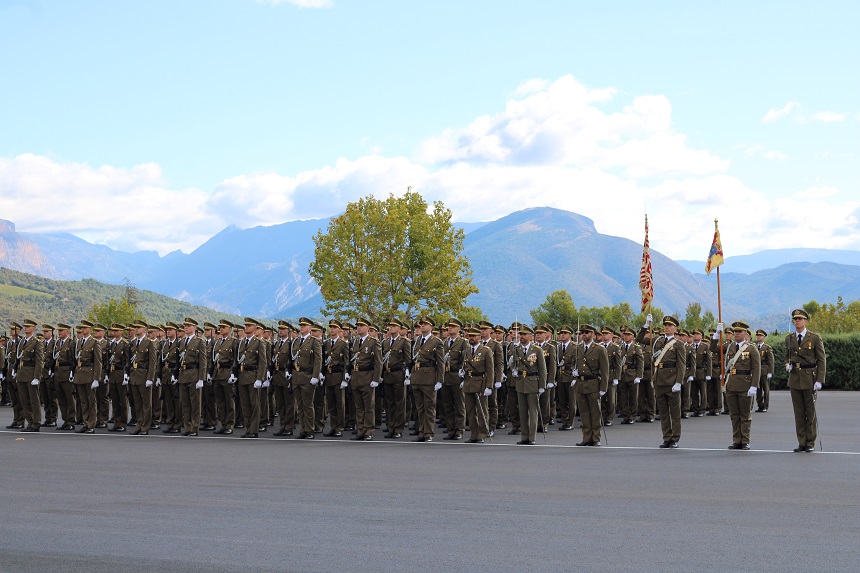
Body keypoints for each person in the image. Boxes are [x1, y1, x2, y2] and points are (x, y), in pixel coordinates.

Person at [785, 309, 826, 452]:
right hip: (795, 378)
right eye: (795, 319)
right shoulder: (789, 338)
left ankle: (810, 442)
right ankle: (802, 441)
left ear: (805, 321)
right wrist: (787, 364)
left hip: (810, 378)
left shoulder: (814, 338)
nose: (797, 321)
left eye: (800, 319)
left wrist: (819, 379)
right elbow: (787, 356)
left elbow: (821, 360)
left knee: (810, 411)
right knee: (799, 412)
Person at [649, 314, 686, 448]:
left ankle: (675, 438)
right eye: (665, 325)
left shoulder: (678, 344)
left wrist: (678, 382)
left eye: (669, 326)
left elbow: (681, 365)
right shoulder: (658, 341)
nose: (666, 327)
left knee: (674, 413)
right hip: (659, 381)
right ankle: (667, 437)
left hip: (672, 381)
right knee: (663, 413)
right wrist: (646, 326)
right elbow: (641, 339)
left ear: (675, 329)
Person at [724, 321, 761, 450]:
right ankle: (737, 440)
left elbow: (756, 368)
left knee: (745, 415)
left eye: (739, 331)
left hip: (745, 385)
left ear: (745, 333)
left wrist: (754, 385)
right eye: (735, 331)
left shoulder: (751, 348)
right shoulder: (730, 347)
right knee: (734, 415)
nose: (736, 333)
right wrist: (717, 335)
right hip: (731, 384)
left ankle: (745, 440)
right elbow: (713, 349)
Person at [572, 324, 609, 446]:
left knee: (595, 413)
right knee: (584, 413)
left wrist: (603, 388)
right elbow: (573, 363)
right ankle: (586, 437)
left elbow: (604, 370)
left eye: (586, 332)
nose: (584, 335)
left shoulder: (599, 349)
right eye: (582, 332)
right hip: (580, 384)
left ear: (592, 334)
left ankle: (596, 438)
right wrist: (574, 372)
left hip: (593, 384)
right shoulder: (577, 348)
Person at [511, 325, 547, 445]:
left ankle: (532, 437)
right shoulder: (517, 350)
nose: (521, 336)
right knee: (522, 412)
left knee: (533, 412)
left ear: (530, 336)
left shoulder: (537, 350)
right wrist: (514, 370)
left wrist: (542, 385)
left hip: (532, 383)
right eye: (520, 334)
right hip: (521, 382)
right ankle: (524, 436)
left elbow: (542, 369)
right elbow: (514, 364)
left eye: (524, 334)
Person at [410, 317, 444, 442]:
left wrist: (440, 380)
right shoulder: (417, 340)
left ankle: (428, 432)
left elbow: (441, 362)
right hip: (417, 377)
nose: (422, 326)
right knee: (420, 407)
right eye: (421, 324)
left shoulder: (436, 342)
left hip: (429, 378)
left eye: (425, 324)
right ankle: (422, 431)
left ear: (431, 327)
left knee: (429, 407)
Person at [349, 319, 382, 440]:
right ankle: (360, 430)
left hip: (367, 377)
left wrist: (376, 379)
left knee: (368, 407)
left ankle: (368, 431)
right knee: (359, 407)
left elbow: (378, 362)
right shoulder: (355, 341)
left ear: (368, 328)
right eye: (358, 326)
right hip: (356, 377)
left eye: (361, 326)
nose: (359, 328)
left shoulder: (373, 342)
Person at [291, 317, 322, 439]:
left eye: (304, 325)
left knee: (308, 405)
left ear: (310, 328)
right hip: (297, 377)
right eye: (301, 325)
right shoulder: (296, 341)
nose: (301, 327)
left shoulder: (314, 341)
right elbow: (293, 358)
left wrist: (315, 376)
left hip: (307, 377)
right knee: (300, 405)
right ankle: (303, 429)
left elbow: (318, 360)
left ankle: (310, 430)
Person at [462, 325, 494, 443]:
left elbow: (490, 370)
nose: (471, 338)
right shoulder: (466, 351)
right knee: (470, 411)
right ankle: (473, 434)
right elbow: (465, 366)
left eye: (474, 336)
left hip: (480, 383)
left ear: (479, 337)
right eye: (470, 336)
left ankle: (482, 434)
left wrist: (489, 386)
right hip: (468, 383)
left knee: (482, 411)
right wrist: (462, 374)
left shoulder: (485, 350)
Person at [177, 318, 207, 436]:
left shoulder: (199, 342)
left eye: (189, 326)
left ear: (194, 328)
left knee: (195, 404)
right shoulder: (182, 342)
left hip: (194, 375)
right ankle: (188, 426)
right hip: (183, 375)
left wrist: (201, 378)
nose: (186, 327)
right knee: (185, 403)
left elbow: (203, 362)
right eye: (185, 325)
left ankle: (194, 427)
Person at [14, 319, 45, 432]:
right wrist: (15, 370)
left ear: (33, 329)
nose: (26, 328)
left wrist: (37, 377)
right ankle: (30, 422)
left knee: (34, 400)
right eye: (25, 327)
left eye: (28, 327)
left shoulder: (37, 342)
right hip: (21, 373)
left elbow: (39, 361)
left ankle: (36, 423)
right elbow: (18, 358)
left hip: (31, 373)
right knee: (24, 400)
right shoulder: (22, 341)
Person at [382, 319, 410, 439]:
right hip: (388, 375)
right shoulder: (385, 342)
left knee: (399, 403)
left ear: (399, 329)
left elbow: (408, 360)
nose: (391, 328)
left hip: (398, 374)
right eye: (390, 326)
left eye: (394, 326)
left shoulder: (404, 342)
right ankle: (391, 426)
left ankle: (398, 428)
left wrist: (407, 373)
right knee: (389, 403)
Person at [73, 319, 103, 434]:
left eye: (85, 328)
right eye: (82, 328)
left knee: (91, 401)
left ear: (90, 329)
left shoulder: (95, 342)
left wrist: (96, 378)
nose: (83, 329)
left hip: (89, 375)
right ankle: (86, 423)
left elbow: (98, 362)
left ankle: (91, 424)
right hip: (80, 374)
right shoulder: (79, 342)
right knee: (83, 401)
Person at [617, 326, 644, 424]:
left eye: (628, 335)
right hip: (622, 374)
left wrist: (639, 376)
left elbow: (640, 362)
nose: (626, 336)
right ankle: (626, 416)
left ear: (633, 337)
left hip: (632, 374)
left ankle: (632, 415)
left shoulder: (636, 348)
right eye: (625, 335)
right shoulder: (620, 347)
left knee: (633, 397)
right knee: (623, 397)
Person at [754, 329, 774, 412]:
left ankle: (765, 406)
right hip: (756, 370)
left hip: (764, 369)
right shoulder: (754, 346)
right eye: (757, 335)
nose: (758, 337)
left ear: (764, 337)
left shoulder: (767, 348)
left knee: (766, 389)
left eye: (760, 335)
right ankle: (760, 405)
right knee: (758, 389)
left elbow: (771, 361)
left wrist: (770, 372)